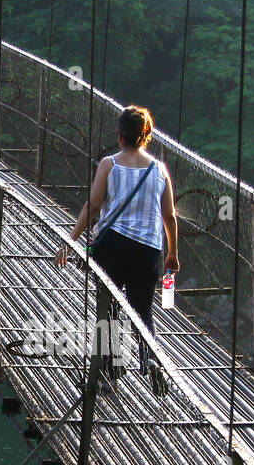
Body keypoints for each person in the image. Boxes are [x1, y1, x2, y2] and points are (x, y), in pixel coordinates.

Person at [55, 105, 179, 377]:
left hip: (113, 246)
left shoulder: (109, 164)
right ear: (146, 135)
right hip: (149, 250)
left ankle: (111, 367)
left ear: (119, 135)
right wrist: (172, 254)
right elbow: (169, 216)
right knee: (142, 308)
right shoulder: (160, 169)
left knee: (107, 307)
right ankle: (151, 360)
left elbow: (93, 206)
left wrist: (69, 241)